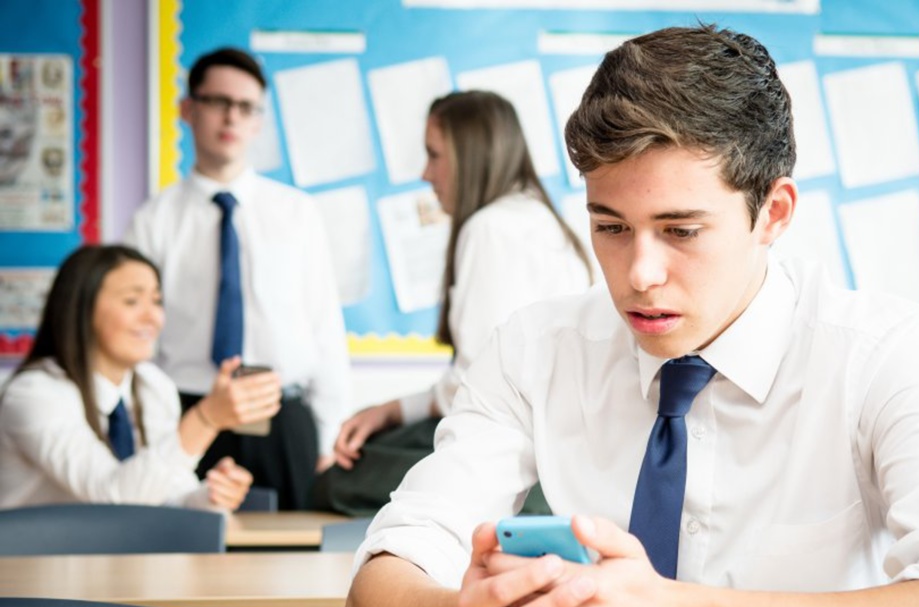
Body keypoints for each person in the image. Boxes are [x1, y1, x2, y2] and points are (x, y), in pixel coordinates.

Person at [342, 25, 919, 607]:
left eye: (681, 230)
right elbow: (377, 596)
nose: (639, 273)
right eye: (610, 227)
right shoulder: (532, 348)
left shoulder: (885, 354)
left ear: (774, 214)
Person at [317, 90, 592, 515]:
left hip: (508, 449)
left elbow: (475, 384)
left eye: (434, 155)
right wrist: (390, 411)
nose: (426, 174)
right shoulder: (544, 220)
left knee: (333, 480)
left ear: (471, 155)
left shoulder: (490, 228)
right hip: (556, 453)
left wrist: (390, 412)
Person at [124, 47, 352, 510]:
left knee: (293, 566)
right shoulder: (154, 219)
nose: (231, 116)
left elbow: (324, 328)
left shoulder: (296, 213)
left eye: (245, 107)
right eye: (217, 102)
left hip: (282, 419)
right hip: (189, 416)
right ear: (188, 110)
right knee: (185, 563)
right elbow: (134, 333)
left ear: (258, 121)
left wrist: (328, 435)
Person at [0, 244, 280, 510]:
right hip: (36, 559)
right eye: (132, 301)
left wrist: (210, 496)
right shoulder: (34, 394)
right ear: (81, 309)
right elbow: (113, 498)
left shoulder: (154, 386)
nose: (153, 317)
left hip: (111, 557)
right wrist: (206, 420)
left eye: (157, 301)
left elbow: (164, 498)